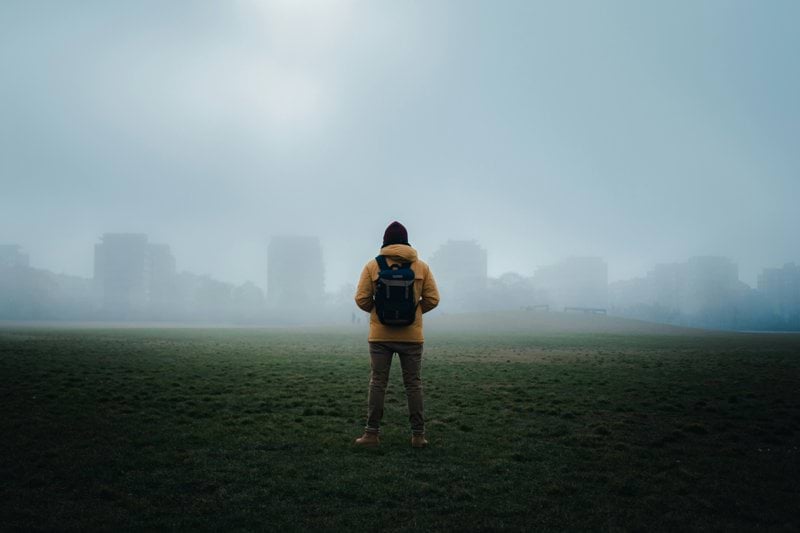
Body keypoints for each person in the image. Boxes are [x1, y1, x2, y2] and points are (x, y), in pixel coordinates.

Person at [353, 221, 440, 448]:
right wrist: (415, 312)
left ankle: (371, 434)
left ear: (385, 242)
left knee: (378, 383)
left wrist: (379, 311)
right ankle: (418, 436)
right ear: (407, 241)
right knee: (413, 385)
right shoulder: (421, 267)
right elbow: (433, 299)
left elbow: (361, 299)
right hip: (412, 337)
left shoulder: (373, 266)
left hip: (380, 336)